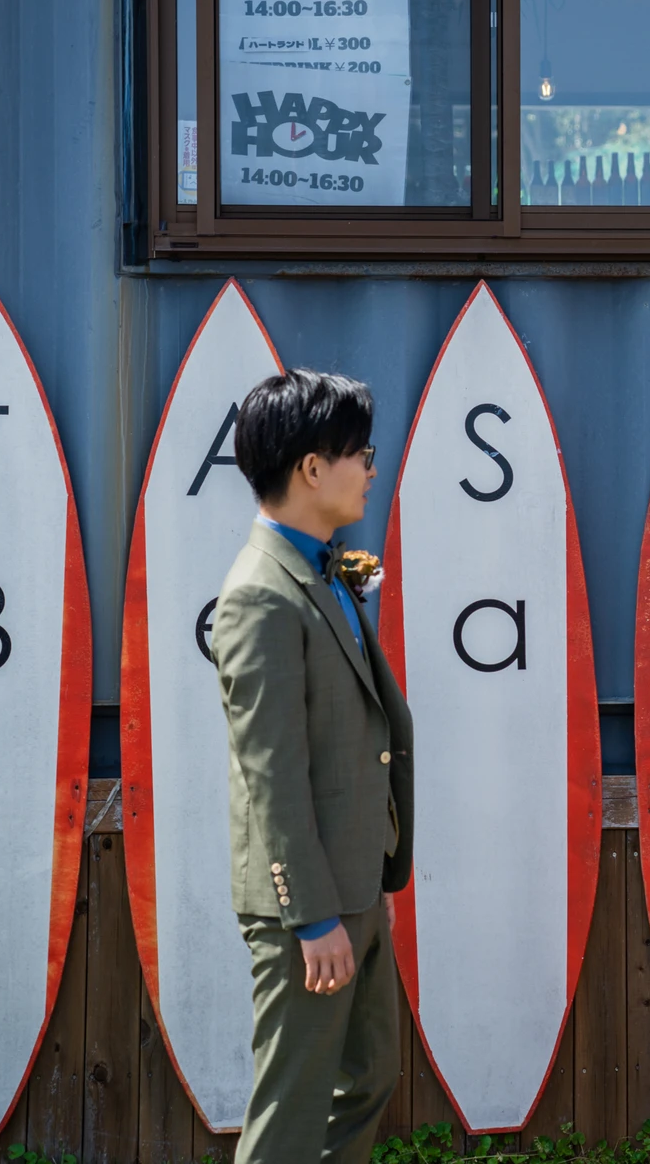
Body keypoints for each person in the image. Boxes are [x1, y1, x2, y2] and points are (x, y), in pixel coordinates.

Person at [213, 369, 414, 1164]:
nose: (371, 468)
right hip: (310, 902)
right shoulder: (260, 594)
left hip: (355, 882)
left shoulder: (319, 569)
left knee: (368, 1079)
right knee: (292, 1112)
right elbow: (271, 773)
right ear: (310, 468)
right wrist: (311, 917)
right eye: (360, 453)